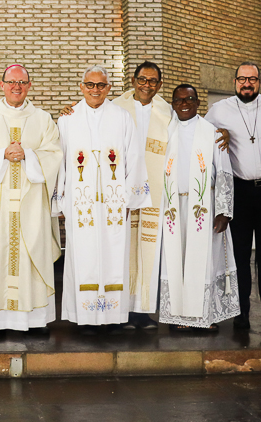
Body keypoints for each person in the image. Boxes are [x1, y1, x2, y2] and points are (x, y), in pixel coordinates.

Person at [0, 64, 62, 337]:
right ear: (2, 85)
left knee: (33, 254)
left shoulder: (43, 120)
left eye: (21, 82)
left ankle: (35, 320)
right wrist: (1, 155)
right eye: (11, 82)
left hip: (31, 207)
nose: (16, 87)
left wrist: (29, 155)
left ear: (29, 86)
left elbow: (55, 154)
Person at [54, 65, 150, 333]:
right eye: (90, 85)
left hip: (114, 204)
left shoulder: (121, 117)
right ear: (81, 87)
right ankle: (85, 317)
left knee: (114, 255)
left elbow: (134, 157)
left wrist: (129, 199)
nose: (95, 90)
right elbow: (60, 160)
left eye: (101, 85)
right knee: (82, 256)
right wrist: (61, 199)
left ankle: (113, 316)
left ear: (108, 88)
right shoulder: (68, 119)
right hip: (80, 203)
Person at [205, 62, 261, 331]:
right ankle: (240, 312)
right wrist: (219, 134)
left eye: (252, 79)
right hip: (239, 190)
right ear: (235, 82)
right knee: (239, 255)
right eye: (242, 79)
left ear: (260, 82)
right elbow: (201, 135)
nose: (247, 84)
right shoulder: (219, 109)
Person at [158, 85, 239, 331]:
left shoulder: (212, 133)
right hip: (172, 207)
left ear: (198, 103)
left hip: (203, 207)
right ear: (172, 104)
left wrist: (224, 211)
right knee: (176, 261)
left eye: (189, 99)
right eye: (179, 100)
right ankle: (177, 316)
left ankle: (204, 316)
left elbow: (224, 171)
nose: (184, 104)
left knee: (203, 262)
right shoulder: (165, 131)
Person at [110, 61, 173, 330]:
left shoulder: (166, 112)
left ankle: (142, 311)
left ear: (159, 84)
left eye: (153, 81)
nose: (147, 85)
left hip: (154, 189)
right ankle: (118, 310)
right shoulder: (115, 108)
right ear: (133, 81)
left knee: (149, 250)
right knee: (121, 250)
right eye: (142, 80)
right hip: (123, 188)